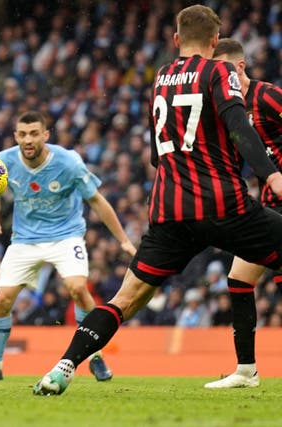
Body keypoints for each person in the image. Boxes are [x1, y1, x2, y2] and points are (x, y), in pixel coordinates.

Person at [32, 5, 282, 396]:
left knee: (125, 299)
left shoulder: (161, 77)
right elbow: (238, 127)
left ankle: (63, 366)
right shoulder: (218, 71)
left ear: (176, 39)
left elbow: (154, 153)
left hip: (169, 210)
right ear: (215, 42)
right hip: (223, 204)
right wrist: (271, 174)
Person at [0, 111, 136, 382]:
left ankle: (95, 356)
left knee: (77, 287)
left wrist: (124, 241)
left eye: (34, 133)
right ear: (15, 136)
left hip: (66, 235)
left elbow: (97, 201)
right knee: (1, 299)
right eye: (23, 134)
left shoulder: (68, 162)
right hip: (25, 239)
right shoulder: (3, 161)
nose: (28, 139)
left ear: (45, 135)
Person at [204, 37, 282, 388]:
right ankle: (246, 370)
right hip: (269, 203)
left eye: (220, 70)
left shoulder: (266, 96)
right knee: (239, 280)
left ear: (239, 67)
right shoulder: (226, 106)